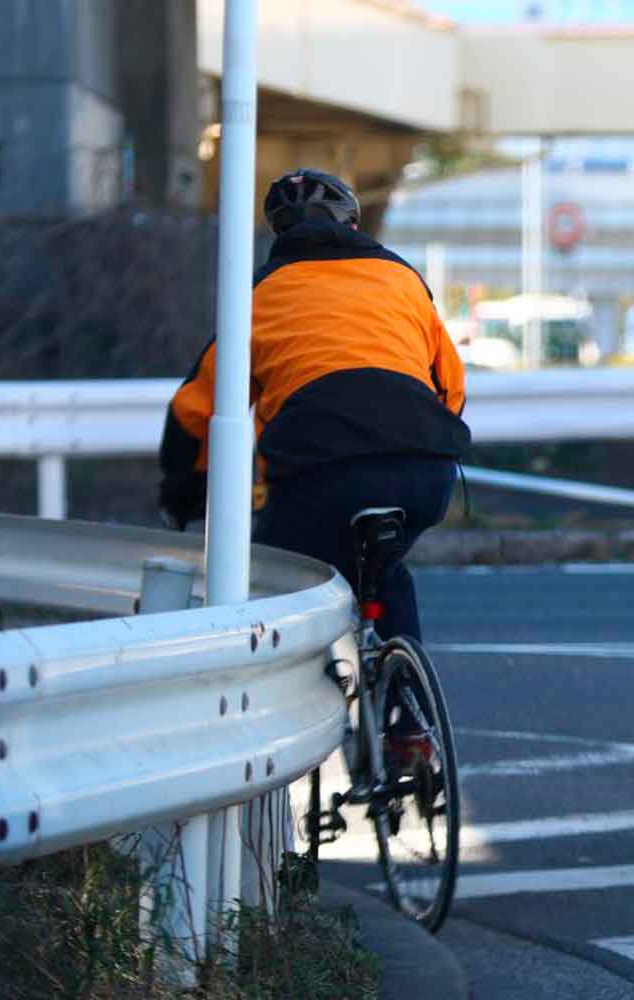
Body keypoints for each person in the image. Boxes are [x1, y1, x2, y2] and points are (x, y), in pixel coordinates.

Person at [157, 168, 471, 764]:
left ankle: (289, 727)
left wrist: (184, 489)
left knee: (275, 575)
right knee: (388, 569)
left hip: (320, 473)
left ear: (277, 232)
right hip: (423, 466)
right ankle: (412, 730)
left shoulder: (257, 297)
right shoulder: (403, 279)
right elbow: (450, 389)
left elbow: (195, 408)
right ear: (352, 222)